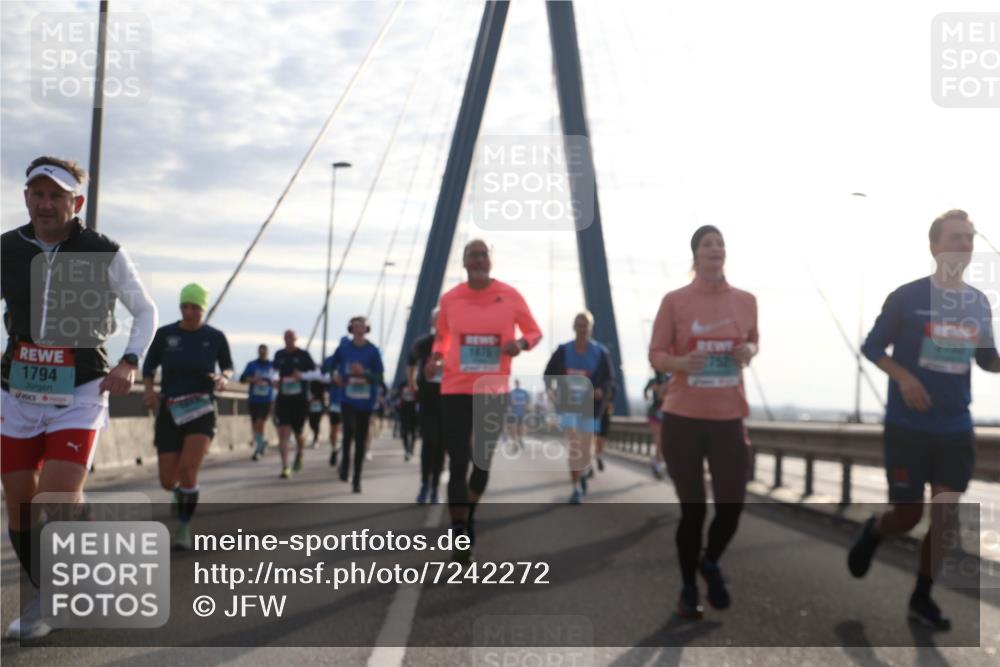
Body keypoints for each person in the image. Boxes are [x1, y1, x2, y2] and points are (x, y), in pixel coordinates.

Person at [1, 156, 157, 639]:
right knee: (20, 505)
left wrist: (130, 362)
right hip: (17, 389)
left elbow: (145, 310)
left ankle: (47, 601)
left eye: (57, 196)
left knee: (55, 497)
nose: (46, 204)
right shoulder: (6, 247)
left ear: (77, 202)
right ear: (26, 197)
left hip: (81, 386)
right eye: (38, 194)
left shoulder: (102, 250)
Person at [849, 209, 999, 629]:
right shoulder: (906, 298)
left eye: (969, 238)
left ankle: (921, 596)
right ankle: (876, 530)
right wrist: (904, 377)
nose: (964, 245)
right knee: (909, 516)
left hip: (955, 427)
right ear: (934, 246)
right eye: (955, 237)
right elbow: (872, 347)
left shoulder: (977, 302)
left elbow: (988, 360)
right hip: (908, 428)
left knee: (947, 518)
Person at [649, 224, 759, 619]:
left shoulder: (746, 301)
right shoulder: (675, 301)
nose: (715, 248)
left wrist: (748, 349)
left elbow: (754, 340)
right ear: (694, 255)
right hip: (683, 419)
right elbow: (657, 353)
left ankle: (709, 561)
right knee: (693, 511)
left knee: (732, 505)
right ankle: (687, 588)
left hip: (729, 418)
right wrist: (680, 362)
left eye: (720, 243)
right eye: (707, 244)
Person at [427, 240, 542, 563]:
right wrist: (435, 357)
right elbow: (442, 337)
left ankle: (470, 513)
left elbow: (534, 332)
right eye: (472, 255)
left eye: (483, 255)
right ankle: (460, 533)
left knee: (481, 465)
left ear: (490, 262)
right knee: (458, 462)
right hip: (455, 390)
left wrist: (520, 343)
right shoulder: (450, 299)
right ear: (463, 263)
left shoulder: (510, 296)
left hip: (493, 391)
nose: (477, 259)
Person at [142, 284, 233, 549]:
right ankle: (180, 493)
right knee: (168, 480)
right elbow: (149, 366)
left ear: (203, 309)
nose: (189, 312)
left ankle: (184, 527)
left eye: (195, 307)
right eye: (185, 306)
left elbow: (227, 366)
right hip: (170, 410)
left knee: (189, 469)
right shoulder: (166, 334)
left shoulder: (214, 337)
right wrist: (148, 391)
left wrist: (223, 377)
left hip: (202, 410)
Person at [544, 311, 614, 504]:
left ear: (591, 329)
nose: (582, 329)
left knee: (586, 447)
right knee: (575, 446)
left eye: (586, 326)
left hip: (591, 409)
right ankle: (575, 488)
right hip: (568, 406)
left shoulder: (601, 352)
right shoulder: (563, 350)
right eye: (579, 325)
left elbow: (609, 380)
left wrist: (600, 390)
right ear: (573, 327)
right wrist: (551, 391)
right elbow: (548, 374)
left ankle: (584, 470)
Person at [327, 316, 384, 493]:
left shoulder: (373, 351)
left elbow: (379, 377)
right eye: (356, 326)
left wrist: (365, 373)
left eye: (362, 326)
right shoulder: (343, 349)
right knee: (348, 432)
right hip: (347, 399)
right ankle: (345, 467)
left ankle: (357, 479)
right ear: (351, 329)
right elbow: (329, 366)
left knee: (360, 440)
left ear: (367, 329)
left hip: (365, 402)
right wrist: (334, 376)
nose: (359, 329)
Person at [408, 308, 445, 504]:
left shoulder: (455, 343)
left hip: (449, 401)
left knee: (441, 446)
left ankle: (435, 488)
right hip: (427, 399)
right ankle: (424, 484)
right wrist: (412, 384)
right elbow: (410, 362)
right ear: (432, 323)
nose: (440, 323)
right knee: (429, 442)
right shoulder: (423, 343)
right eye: (437, 320)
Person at [272, 330, 316, 478]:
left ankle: (300, 453)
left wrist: (302, 376)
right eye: (286, 338)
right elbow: (274, 371)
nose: (288, 340)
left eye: (291, 338)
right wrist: (275, 380)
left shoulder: (304, 355)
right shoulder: (279, 354)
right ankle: (285, 466)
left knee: (298, 433)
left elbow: (316, 373)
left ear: (296, 339)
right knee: (283, 432)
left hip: (300, 400)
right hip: (283, 399)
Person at [239, 344, 275, 461]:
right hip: (254, 399)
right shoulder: (252, 365)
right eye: (260, 351)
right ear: (258, 352)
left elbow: (278, 379)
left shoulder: (272, 365)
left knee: (260, 423)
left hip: (267, 399)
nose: (262, 353)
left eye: (264, 351)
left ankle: (258, 449)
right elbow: (242, 379)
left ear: (267, 352)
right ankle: (262, 441)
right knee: (255, 425)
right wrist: (253, 379)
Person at [644, 372, 669, 478]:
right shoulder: (652, 380)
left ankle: (656, 461)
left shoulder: (669, 379)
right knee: (659, 439)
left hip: (665, 413)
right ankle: (658, 463)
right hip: (654, 413)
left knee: (663, 440)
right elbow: (645, 393)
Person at [397, 380, 418, 461]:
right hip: (404, 411)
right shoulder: (402, 385)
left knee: (413, 432)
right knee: (404, 432)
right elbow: (398, 396)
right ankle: (406, 449)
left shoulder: (418, 384)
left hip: (414, 412)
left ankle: (411, 448)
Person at [507, 379, 531, 449]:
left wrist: (527, 407)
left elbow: (528, 401)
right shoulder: (512, 392)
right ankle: (515, 443)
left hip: (522, 413)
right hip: (514, 413)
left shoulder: (524, 392)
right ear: (515, 384)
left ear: (520, 383)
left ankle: (520, 439)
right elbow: (510, 402)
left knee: (521, 427)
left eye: (518, 382)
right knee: (513, 427)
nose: (517, 384)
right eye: (516, 383)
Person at [307, 380, 326, 448]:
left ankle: (316, 439)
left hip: (318, 407)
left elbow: (322, 395)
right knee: (311, 423)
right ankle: (315, 435)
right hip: (309, 407)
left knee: (316, 423)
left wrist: (314, 397)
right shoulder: (306, 384)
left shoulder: (318, 383)